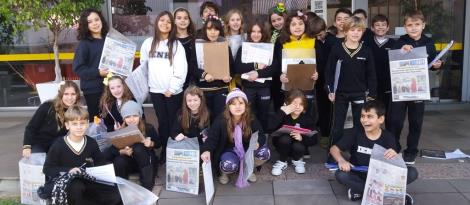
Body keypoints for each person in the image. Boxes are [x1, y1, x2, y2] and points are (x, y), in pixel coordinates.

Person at [330, 100, 417, 204]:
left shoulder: (388, 137)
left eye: (369, 116)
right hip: (360, 175)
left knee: (412, 172)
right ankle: (389, 194)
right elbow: (333, 149)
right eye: (362, 116)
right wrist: (341, 160)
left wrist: (394, 155)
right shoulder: (355, 132)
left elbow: (395, 164)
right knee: (341, 175)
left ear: (381, 119)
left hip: (381, 178)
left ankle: (360, 191)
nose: (364, 120)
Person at [387, 10, 442, 165]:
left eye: (417, 24)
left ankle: (411, 151)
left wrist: (438, 65)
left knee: (416, 121)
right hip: (401, 88)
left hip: (418, 89)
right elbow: (392, 60)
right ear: (405, 27)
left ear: (423, 25)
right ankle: (394, 148)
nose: (413, 28)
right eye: (410, 25)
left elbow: (433, 63)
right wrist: (401, 51)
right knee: (395, 121)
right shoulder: (399, 42)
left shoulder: (429, 43)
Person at [43, 105, 122, 205]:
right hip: (65, 182)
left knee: (115, 192)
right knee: (77, 187)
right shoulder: (58, 145)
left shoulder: (91, 142)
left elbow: (100, 162)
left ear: (88, 124)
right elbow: (47, 169)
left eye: (82, 123)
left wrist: (104, 170)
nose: (79, 127)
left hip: (85, 179)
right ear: (67, 125)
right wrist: (69, 170)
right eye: (74, 124)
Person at [325, 16, 377, 157]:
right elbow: (329, 72)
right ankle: (332, 156)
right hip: (340, 94)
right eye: (352, 30)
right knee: (337, 127)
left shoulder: (366, 51)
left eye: (359, 30)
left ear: (363, 31)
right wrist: (330, 90)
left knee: (360, 126)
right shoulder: (337, 49)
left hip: (360, 94)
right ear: (345, 31)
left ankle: (357, 155)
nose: (355, 33)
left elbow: (371, 74)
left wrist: (372, 93)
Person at [140, 11, 188, 162]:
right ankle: (164, 152)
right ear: (157, 22)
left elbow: (181, 69)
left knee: (173, 122)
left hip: (172, 92)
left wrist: (172, 89)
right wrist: (145, 86)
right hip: (156, 91)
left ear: (172, 25)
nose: (165, 24)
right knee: (162, 121)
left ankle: (172, 151)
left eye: (168, 22)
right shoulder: (148, 43)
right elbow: (144, 66)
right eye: (162, 20)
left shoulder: (176, 45)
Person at [200, 89, 270, 187]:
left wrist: (258, 142)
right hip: (228, 151)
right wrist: (206, 150)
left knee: (265, 153)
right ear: (228, 106)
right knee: (228, 165)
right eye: (233, 104)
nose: (238, 107)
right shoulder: (221, 120)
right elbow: (212, 139)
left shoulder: (251, 118)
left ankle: (248, 169)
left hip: (246, 149)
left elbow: (261, 135)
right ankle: (224, 172)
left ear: (245, 105)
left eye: (241, 103)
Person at [104, 101, 160, 190]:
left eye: (135, 116)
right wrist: (121, 151)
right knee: (119, 160)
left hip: (146, 162)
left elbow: (158, 144)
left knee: (138, 147)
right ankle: (121, 189)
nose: (132, 119)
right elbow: (107, 154)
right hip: (131, 164)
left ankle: (147, 187)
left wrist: (151, 143)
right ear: (124, 119)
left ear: (140, 116)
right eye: (128, 117)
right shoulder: (121, 131)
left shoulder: (148, 128)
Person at [234, 17, 275, 130]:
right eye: (253, 31)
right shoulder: (243, 48)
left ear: (263, 33)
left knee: (264, 114)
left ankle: (263, 139)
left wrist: (258, 74)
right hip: (248, 87)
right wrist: (256, 65)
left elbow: (273, 68)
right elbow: (238, 67)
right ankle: (250, 137)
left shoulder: (269, 48)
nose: (256, 34)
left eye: (259, 32)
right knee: (249, 114)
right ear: (249, 33)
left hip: (264, 87)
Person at [23, 81, 80, 157]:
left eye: (73, 94)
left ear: (77, 95)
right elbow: (31, 127)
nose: (70, 97)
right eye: (66, 94)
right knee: (37, 160)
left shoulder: (76, 111)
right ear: (60, 95)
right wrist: (27, 146)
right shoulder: (47, 106)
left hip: (58, 143)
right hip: (39, 143)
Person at [278, 11, 319, 118]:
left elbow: (320, 63)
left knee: (308, 113)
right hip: (289, 85)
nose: (297, 27)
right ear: (288, 27)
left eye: (301, 24)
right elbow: (276, 64)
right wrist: (281, 76)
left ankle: (307, 133)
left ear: (305, 25)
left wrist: (317, 74)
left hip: (308, 85)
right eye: (293, 24)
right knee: (291, 113)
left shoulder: (313, 41)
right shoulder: (282, 42)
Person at [72, 8, 109, 122]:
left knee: (110, 119)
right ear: (85, 25)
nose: (94, 23)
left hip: (110, 87)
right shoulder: (84, 44)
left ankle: (112, 140)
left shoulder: (109, 40)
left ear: (101, 20)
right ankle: (97, 140)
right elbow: (78, 68)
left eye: (96, 19)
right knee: (97, 121)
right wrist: (98, 72)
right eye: (90, 22)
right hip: (93, 90)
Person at [270, 90, 318, 175]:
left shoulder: (307, 118)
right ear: (288, 103)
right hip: (282, 145)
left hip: (299, 147)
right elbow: (270, 127)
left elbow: (314, 139)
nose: (298, 107)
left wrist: (302, 138)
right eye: (295, 104)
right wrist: (282, 112)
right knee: (285, 139)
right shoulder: (283, 114)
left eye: (301, 104)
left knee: (298, 145)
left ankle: (297, 160)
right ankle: (282, 161)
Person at [194, 15, 233, 121]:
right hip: (203, 90)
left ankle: (219, 137)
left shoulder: (225, 46)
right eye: (209, 29)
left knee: (220, 118)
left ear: (220, 31)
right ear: (204, 30)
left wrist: (229, 76)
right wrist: (204, 74)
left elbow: (231, 67)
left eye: (216, 29)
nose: (213, 32)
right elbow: (192, 66)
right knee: (204, 119)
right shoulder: (197, 46)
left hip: (221, 89)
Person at [363, 14, 395, 114]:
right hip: (371, 86)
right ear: (372, 28)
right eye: (377, 25)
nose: (380, 27)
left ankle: (388, 130)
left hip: (388, 86)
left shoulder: (394, 44)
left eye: (383, 25)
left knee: (389, 114)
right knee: (372, 114)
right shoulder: (366, 43)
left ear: (388, 27)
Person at [268, 2, 287, 111]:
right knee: (278, 105)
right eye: (273, 21)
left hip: (289, 74)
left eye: (279, 19)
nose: (277, 23)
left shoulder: (291, 33)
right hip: (276, 76)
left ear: (285, 17)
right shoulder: (272, 35)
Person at [174, 7, 198, 89]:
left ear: (189, 20)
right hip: (175, 80)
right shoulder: (170, 40)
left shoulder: (195, 39)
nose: (182, 20)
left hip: (192, 80)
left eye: (185, 18)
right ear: (174, 21)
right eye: (179, 18)